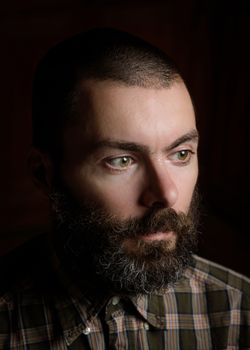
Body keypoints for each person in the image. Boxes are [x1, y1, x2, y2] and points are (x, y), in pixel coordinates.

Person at [0, 27, 249, 349]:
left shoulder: (238, 315)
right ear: (44, 174)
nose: (166, 195)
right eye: (121, 161)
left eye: (181, 154)